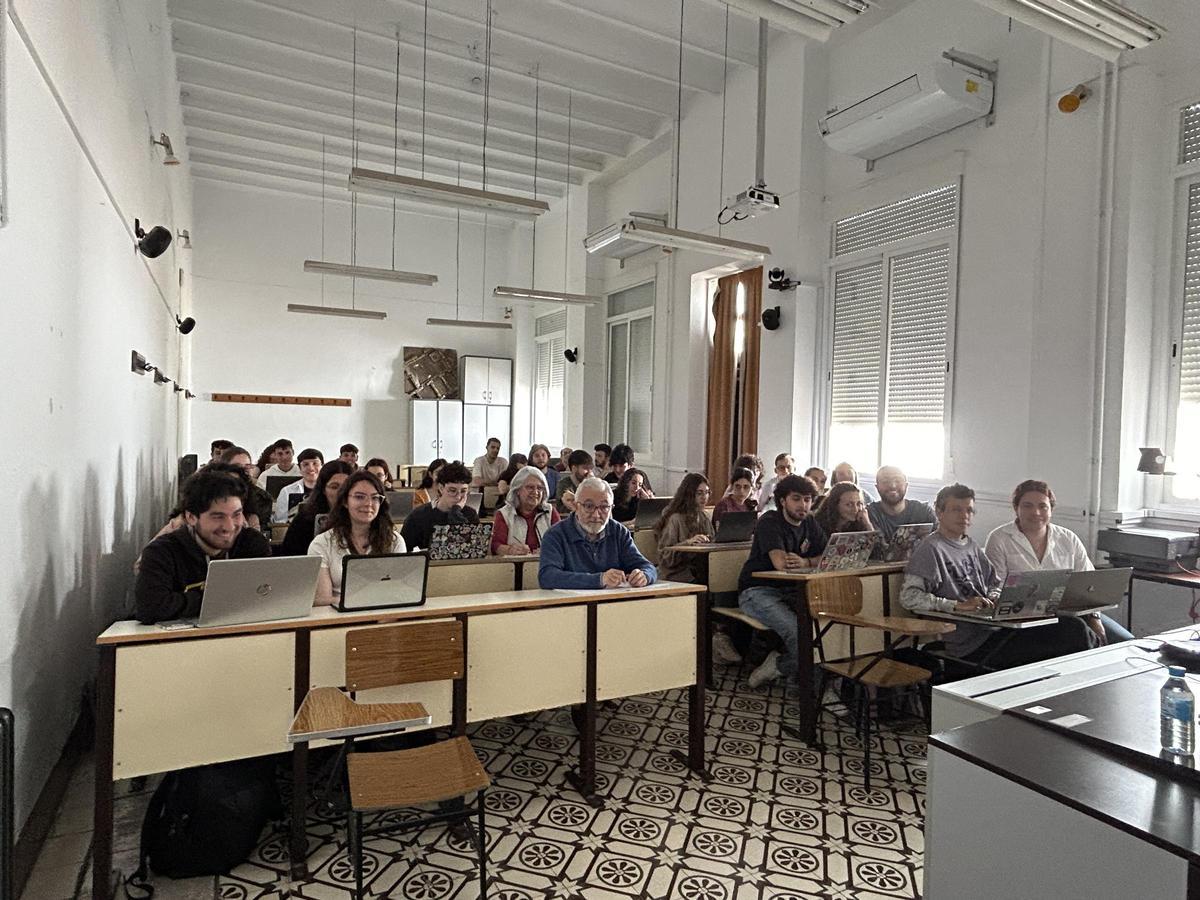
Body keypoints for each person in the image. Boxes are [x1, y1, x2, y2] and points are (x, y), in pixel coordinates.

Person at [901, 483, 1094, 669]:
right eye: (956, 510)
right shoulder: (930, 549)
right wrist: (956, 605)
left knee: (1075, 629)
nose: (964, 516)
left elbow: (994, 584)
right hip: (971, 645)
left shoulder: (970, 546)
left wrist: (994, 597)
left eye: (969, 510)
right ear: (939, 512)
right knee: (1072, 632)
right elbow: (909, 598)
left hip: (998, 630)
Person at [985, 479, 1133, 645]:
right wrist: (996, 598)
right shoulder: (999, 539)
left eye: (1043, 506)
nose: (1036, 512)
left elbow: (1090, 585)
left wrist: (1095, 618)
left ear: (1051, 510)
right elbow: (994, 587)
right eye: (1027, 506)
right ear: (1016, 508)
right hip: (1024, 620)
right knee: (1079, 635)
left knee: (1126, 642)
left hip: (1074, 613)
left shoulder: (1068, 538)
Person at [134, 468, 272, 624]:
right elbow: (151, 608)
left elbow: (266, 597)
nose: (230, 526)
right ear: (191, 517)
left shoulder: (253, 543)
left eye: (236, 515)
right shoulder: (161, 552)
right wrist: (225, 598)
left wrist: (187, 601)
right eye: (218, 516)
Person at [737, 475, 827, 688]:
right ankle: (811, 689)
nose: (803, 505)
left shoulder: (810, 522)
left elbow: (829, 558)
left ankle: (780, 666)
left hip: (793, 591)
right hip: (756, 591)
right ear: (782, 501)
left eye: (807, 499)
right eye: (796, 499)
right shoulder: (769, 521)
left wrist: (806, 561)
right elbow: (781, 564)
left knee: (825, 629)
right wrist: (812, 562)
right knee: (798, 632)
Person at [539, 477, 657, 589]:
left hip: (613, 603)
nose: (596, 515)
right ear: (575, 506)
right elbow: (547, 577)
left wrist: (644, 576)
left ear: (611, 508)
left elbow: (648, 567)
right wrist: (599, 579)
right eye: (589, 506)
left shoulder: (618, 532)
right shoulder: (556, 535)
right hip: (571, 606)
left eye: (604, 507)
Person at [309, 471, 404, 606]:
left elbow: (399, 593)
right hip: (339, 618)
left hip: (385, 616)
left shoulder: (394, 541)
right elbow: (322, 600)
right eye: (360, 497)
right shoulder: (322, 543)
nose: (368, 504)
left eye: (375, 498)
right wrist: (365, 602)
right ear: (345, 502)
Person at [277, 460, 356, 556]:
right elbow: (290, 559)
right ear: (323, 489)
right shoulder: (305, 520)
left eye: (346, 487)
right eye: (334, 487)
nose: (341, 492)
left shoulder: (361, 518)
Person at [400, 461, 481, 550]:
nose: (458, 497)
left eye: (463, 491)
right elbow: (405, 551)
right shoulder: (418, 516)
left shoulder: (470, 515)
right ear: (441, 488)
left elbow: (473, 549)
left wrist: (456, 513)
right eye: (452, 491)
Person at [654, 473, 714, 583]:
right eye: (699, 493)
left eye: (707, 492)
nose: (704, 497)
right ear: (689, 494)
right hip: (677, 572)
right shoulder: (675, 519)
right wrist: (688, 542)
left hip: (697, 569)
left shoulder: (704, 517)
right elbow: (665, 557)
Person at [491, 467, 561, 556]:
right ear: (517, 490)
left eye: (539, 488)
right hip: (513, 566)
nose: (535, 492)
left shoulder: (550, 512)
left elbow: (561, 542)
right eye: (530, 487)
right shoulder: (504, 514)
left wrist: (548, 550)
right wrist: (510, 550)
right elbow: (495, 545)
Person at [867, 466, 935, 542]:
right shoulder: (868, 514)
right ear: (877, 487)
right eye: (885, 481)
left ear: (906, 485)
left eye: (898, 480)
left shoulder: (924, 512)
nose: (892, 486)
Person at [216, 448, 273, 530]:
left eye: (247, 467)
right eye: (237, 467)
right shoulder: (214, 494)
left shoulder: (263, 498)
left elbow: (263, 530)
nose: (243, 471)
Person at [272, 448, 324, 523]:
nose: (311, 468)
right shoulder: (286, 491)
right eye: (305, 464)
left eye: (315, 463)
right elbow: (280, 522)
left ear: (322, 466)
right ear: (300, 468)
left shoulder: (331, 490)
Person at [554, 449, 594, 514]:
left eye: (591, 468)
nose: (589, 472)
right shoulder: (564, 484)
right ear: (574, 468)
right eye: (585, 468)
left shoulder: (592, 484)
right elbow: (569, 507)